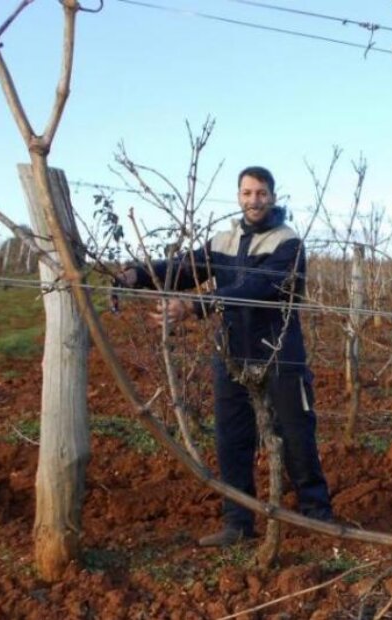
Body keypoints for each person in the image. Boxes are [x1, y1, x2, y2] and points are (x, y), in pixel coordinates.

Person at [121, 165, 333, 547]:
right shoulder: (223, 239)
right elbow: (184, 269)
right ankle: (238, 523)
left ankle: (316, 515)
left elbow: (257, 287)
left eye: (262, 193)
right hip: (232, 353)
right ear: (238, 196)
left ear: (273, 196)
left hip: (279, 354)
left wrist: (196, 306)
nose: (254, 200)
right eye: (247, 193)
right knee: (231, 438)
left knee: (296, 433)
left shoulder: (288, 244)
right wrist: (136, 273)